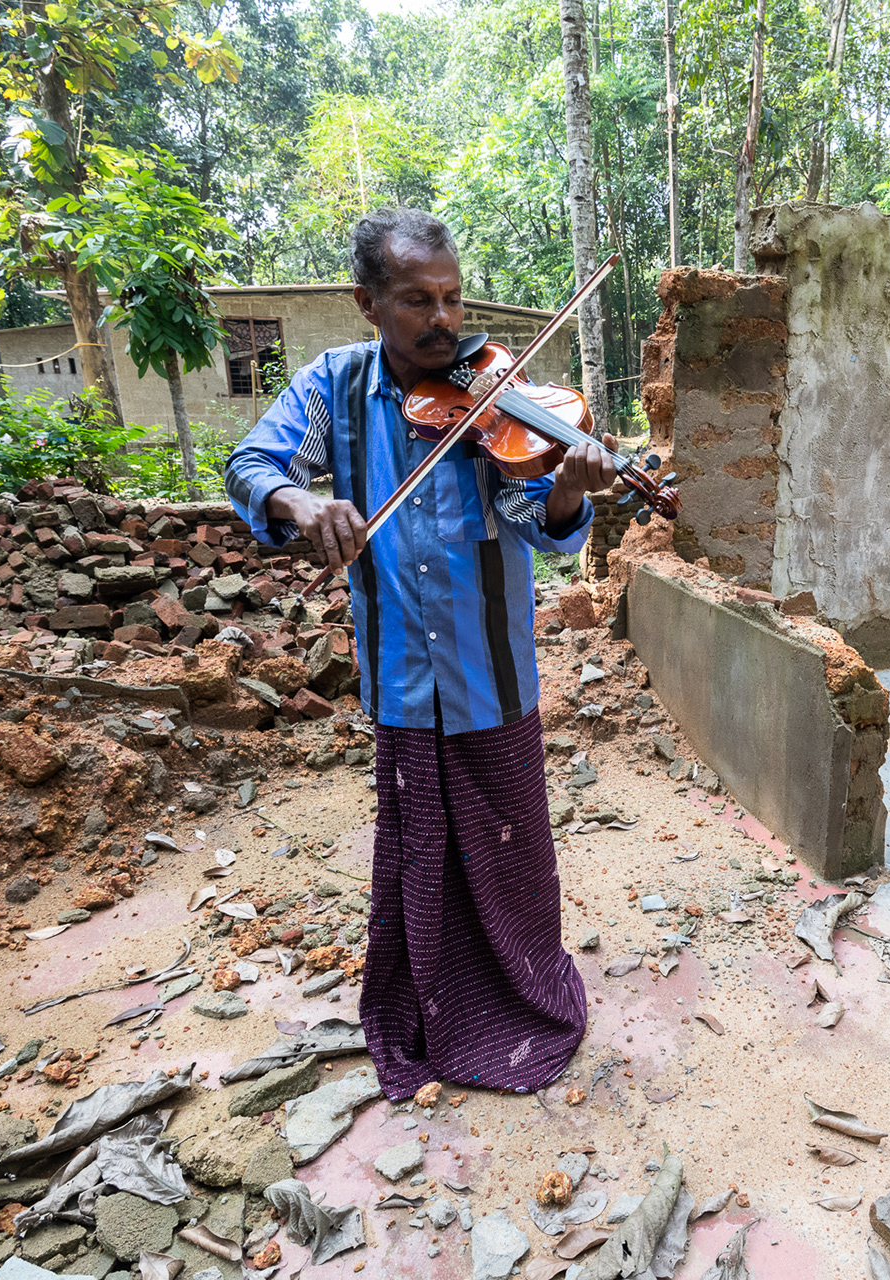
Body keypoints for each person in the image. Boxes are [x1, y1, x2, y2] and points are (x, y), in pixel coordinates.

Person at [223, 207, 618, 1098]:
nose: (444, 320)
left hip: (494, 676)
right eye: (416, 302)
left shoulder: (496, 396)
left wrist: (565, 494)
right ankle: (426, 1012)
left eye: (452, 298)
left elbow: (539, 525)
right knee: (420, 853)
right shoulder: (334, 386)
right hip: (400, 673)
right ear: (367, 303)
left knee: (512, 854)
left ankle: (523, 1006)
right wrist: (299, 502)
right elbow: (252, 462)